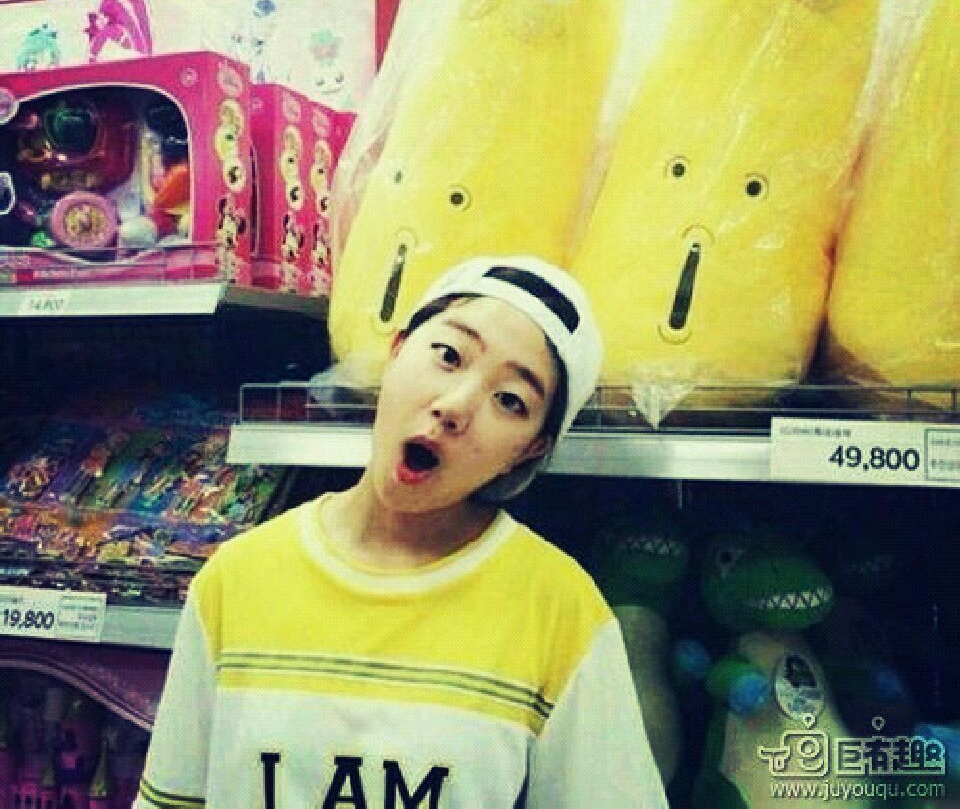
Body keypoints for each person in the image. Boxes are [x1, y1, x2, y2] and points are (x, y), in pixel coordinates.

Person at [135, 256, 669, 809]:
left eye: (510, 400)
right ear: (397, 350)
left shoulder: (561, 612)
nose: (455, 407)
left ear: (529, 449)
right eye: (449, 355)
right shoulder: (236, 579)